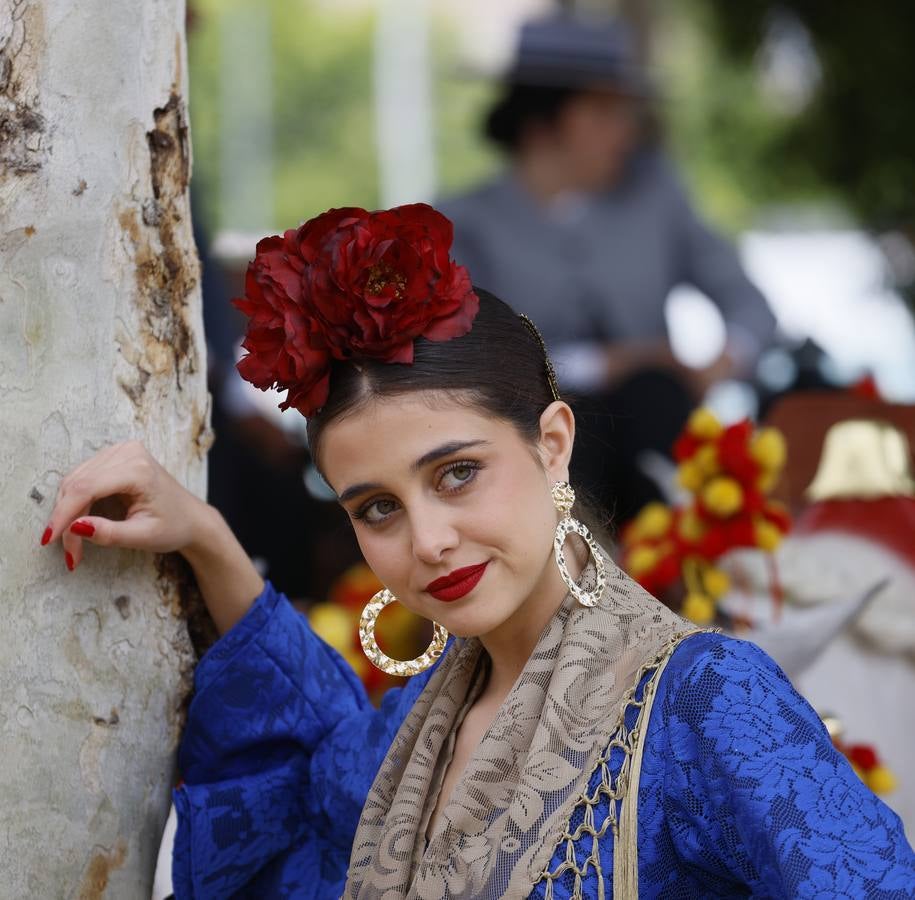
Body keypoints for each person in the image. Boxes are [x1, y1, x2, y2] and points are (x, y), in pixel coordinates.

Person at [42, 205, 913, 898]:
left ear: (553, 444)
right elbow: (303, 769)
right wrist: (206, 537)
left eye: (457, 474)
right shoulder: (414, 732)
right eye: (377, 507)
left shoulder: (704, 702)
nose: (427, 540)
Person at [438, 13, 777, 522]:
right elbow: (472, 358)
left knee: (654, 400)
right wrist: (611, 362)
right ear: (542, 121)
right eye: (604, 110)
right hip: (539, 448)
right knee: (567, 434)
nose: (628, 129)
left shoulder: (657, 198)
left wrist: (722, 362)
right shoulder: (464, 223)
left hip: (657, 428)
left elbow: (747, 301)